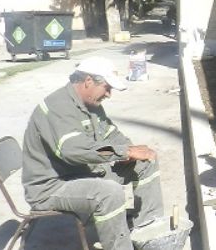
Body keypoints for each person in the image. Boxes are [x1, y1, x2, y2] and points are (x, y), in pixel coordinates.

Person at [22, 57, 164, 250]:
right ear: (88, 81)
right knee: (109, 193)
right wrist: (123, 152)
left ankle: (148, 232)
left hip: (80, 173)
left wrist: (130, 150)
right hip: (51, 186)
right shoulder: (57, 107)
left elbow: (111, 134)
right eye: (107, 88)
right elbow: (74, 150)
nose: (109, 94)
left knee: (146, 162)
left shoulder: (91, 105)